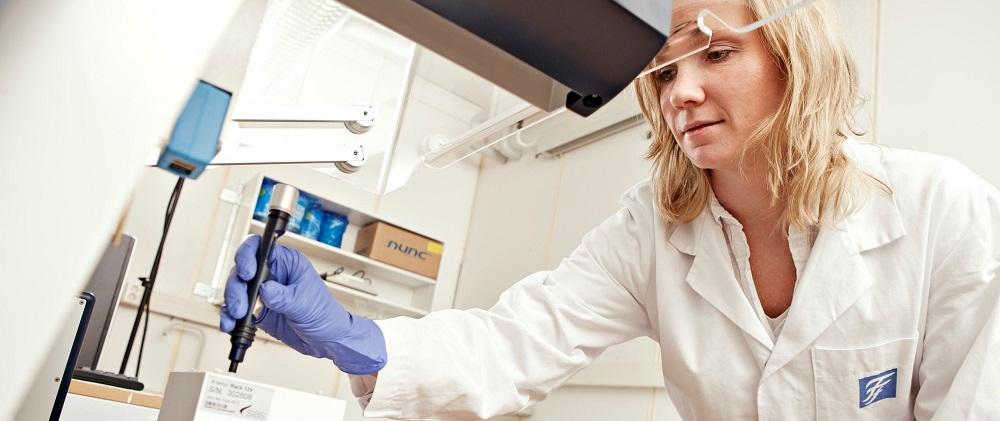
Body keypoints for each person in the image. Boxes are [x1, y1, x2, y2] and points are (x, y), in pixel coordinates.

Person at [220, 0, 1000, 419]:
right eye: (661, 72)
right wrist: (356, 339)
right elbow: (520, 341)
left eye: (718, 52)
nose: (680, 92)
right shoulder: (653, 231)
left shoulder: (940, 210)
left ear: (797, 61)